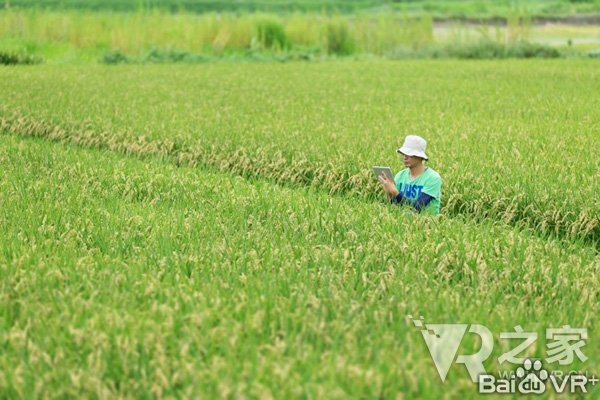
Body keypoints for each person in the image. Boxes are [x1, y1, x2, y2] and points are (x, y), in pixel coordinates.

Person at [378, 135, 442, 215]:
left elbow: (417, 208)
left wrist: (395, 193)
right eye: (404, 154)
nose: (405, 157)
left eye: (409, 154)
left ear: (420, 157)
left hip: (426, 224)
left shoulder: (433, 178)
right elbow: (394, 207)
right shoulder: (400, 176)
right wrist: (389, 194)